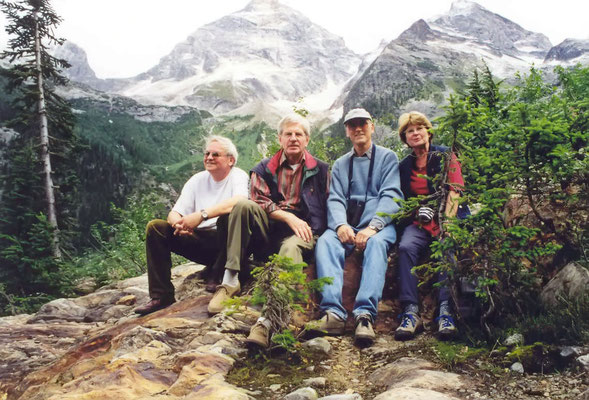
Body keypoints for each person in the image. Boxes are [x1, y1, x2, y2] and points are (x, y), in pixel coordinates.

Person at [208, 114, 330, 348]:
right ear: (280, 138)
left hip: (303, 232)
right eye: (288, 134)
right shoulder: (264, 168)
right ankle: (230, 280)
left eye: (299, 134)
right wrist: (286, 215)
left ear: (307, 139)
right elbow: (258, 198)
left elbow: (330, 204)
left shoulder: (321, 170)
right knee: (242, 205)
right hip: (270, 229)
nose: (293, 138)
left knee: (291, 247)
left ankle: (267, 320)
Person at [308, 108, 403, 346]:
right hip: (349, 223)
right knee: (326, 243)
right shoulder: (340, 164)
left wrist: (374, 226)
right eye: (352, 125)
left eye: (363, 123)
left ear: (372, 126)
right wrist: (340, 225)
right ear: (347, 132)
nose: (358, 128)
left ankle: (365, 315)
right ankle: (333, 313)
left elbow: (391, 195)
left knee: (377, 245)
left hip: (378, 225)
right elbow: (336, 198)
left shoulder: (388, 157)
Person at [134, 136, 249, 315]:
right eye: (207, 153)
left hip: (227, 243)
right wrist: (179, 224)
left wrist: (201, 215)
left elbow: (239, 202)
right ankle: (161, 295)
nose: (209, 157)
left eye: (215, 154)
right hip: (198, 239)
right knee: (155, 227)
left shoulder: (239, 176)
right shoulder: (197, 180)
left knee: (227, 218)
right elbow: (175, 212)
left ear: (230, 160)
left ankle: (219, 273)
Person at [394, 111, 465, 341]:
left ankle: (446, 310)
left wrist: (449, 221)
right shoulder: (404, 166)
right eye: (409, 131)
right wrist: (417, 212)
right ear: (405, 138)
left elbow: (455, 190)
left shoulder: (445, 155)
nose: (415, 134)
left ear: (428, 131)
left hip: (447, 217)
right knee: (405, 247)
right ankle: (410, 311)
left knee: (445, 247)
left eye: (418, 129)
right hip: (420, 221)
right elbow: (403, 199)